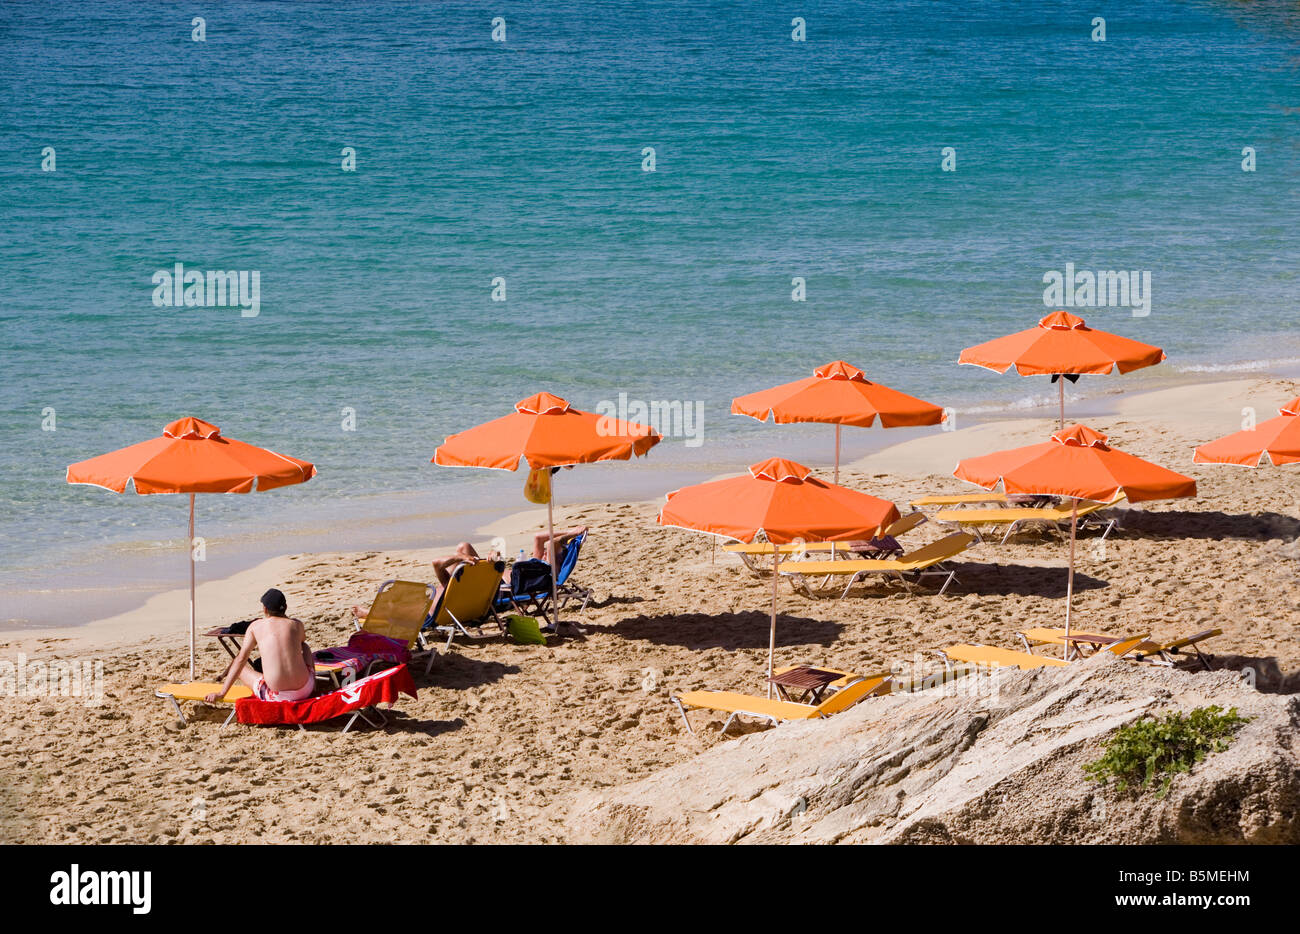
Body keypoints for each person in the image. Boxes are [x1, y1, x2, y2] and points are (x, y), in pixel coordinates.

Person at [206, 589, 315, 703]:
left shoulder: (256, 626)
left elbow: (241, 659)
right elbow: (302, 641)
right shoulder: (296, 624)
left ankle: (225, 692)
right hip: (305, 689)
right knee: (305, 647)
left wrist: (221, 693)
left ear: (265, 609)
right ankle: (315, 687)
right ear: (286, 607)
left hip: (277, 696)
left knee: (239, 667)